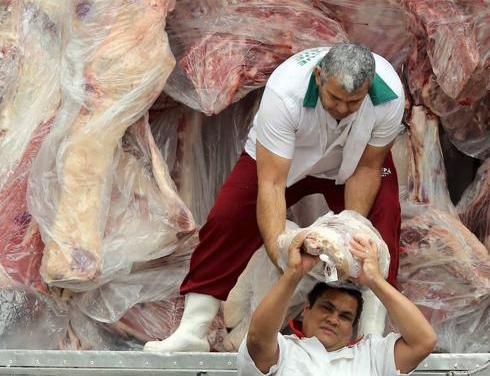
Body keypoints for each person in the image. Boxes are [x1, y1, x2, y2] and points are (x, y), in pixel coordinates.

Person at [144, 42, 405, 352]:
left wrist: (351, 230)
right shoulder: (285, 92)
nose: (343, 108)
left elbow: (368, 168)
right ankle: (193, 330)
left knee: (382, 222)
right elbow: (271, 183)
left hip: (356, 162)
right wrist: (281, 254)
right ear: (319, 75)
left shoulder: (390, 95)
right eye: (335, 98)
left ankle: (372, 338)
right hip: (281, 160)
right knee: (228, 217)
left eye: (354, 102)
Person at [238, 231, 437, 376]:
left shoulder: (372, 356)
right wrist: (294, 273)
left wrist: (374, 280)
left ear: (352, 328)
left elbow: (423, 341)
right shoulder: (284, 352)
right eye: (327, 307)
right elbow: (257, 338)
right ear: (306, 310)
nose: (333, 320)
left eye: (345, 316)